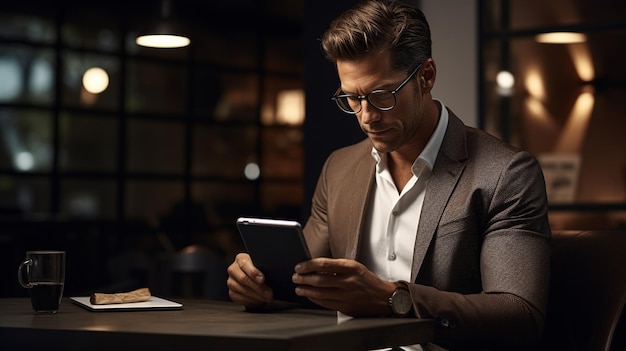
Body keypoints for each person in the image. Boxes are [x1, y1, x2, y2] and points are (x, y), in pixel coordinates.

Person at [227, 0, 551, 350]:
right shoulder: (339, 168)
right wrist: (259, 287)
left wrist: (391, 298)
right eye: (352, 98)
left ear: (426, 76)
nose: (366, 116)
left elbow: (520, 315)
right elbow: (303, 285)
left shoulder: (506, 173)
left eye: (382, 95)